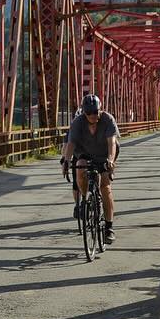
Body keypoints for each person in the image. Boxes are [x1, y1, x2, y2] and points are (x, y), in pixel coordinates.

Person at [61, 93, 120, 244]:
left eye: (96, 112)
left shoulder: (108, 119)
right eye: (89, 113)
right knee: (80, 168)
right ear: (84, 112)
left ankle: (109, 227)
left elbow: (112, 143)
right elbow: (71, 144)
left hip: (104, 154)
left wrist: (110, 161)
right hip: (85, 153)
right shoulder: (77, 122)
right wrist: (66, 162)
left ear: (100, 109)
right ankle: (85, 200)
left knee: (105, 188)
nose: (93, 116)